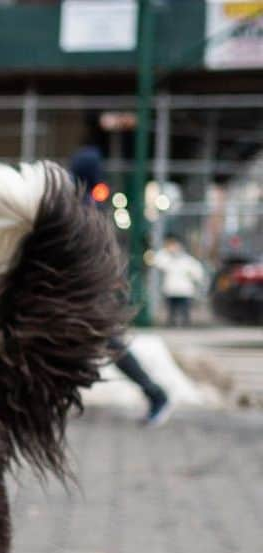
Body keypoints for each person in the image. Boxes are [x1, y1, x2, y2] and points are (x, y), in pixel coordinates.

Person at [68, 145, 172, 426]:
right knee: (94, 344)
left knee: (107, 344)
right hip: (86, 290)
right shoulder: (85, 202)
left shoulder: (84, 204)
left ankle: (156, 395)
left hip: (88, 292)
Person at [153, 235, 206, 327]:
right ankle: (171, 323)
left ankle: (185, 323)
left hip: (184, 290)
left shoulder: (187, 260)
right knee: (172, 309)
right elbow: (158, 262)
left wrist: (196, 279)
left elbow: (197, 272)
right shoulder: (166, 258)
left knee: (184, 309)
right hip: (171, 289)